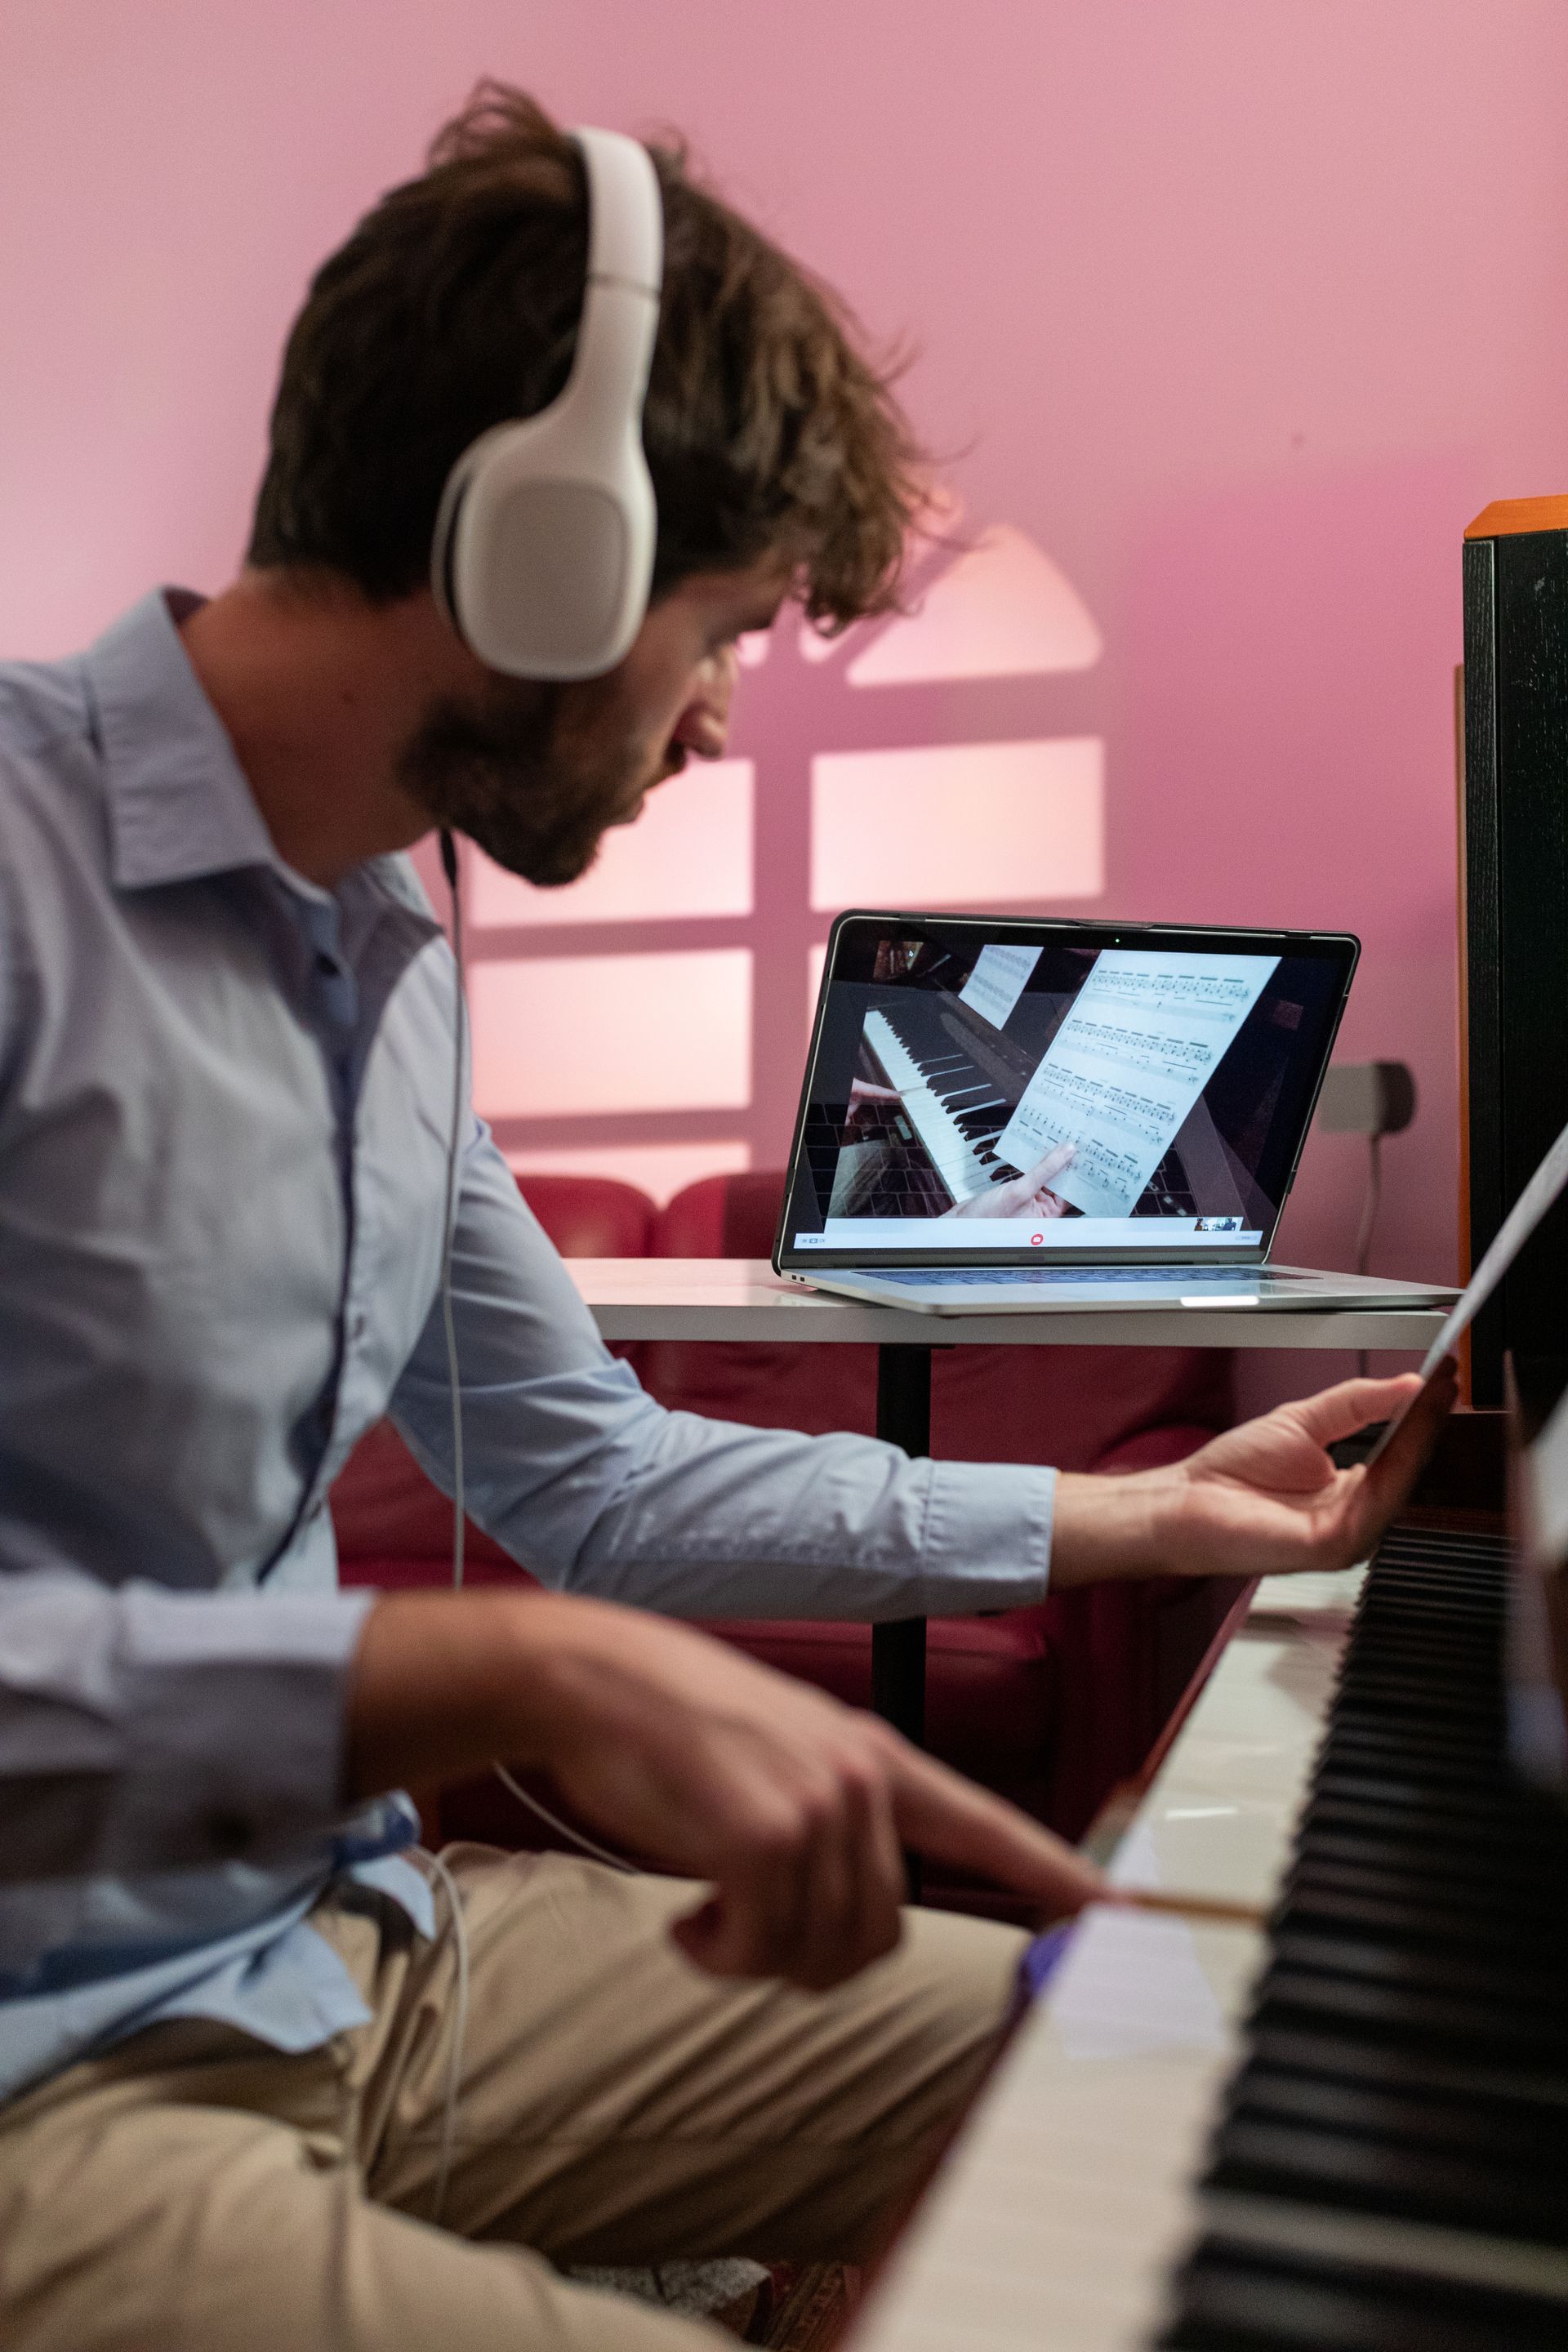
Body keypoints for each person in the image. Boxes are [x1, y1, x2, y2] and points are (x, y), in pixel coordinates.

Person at [0, 83, 1452, 2351]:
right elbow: (526, 1610)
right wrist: (486, 1666)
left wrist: (1148, 1517)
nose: (707, 726)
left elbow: (593, 1480)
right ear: (540, 552)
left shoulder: (379, 940)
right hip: (34, 2088)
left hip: (346, 1962)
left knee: (1179, 2078)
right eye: (722, 630)